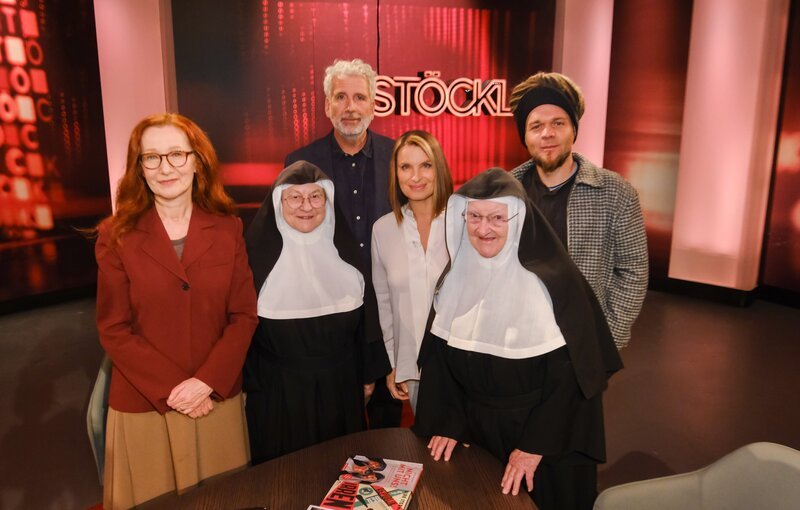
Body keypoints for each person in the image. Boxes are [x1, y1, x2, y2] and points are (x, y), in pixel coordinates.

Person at [412, 169, 622, 510]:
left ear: (519, 219)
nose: (483, 229)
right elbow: (440, 362)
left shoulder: (556, 281)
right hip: (477, 435)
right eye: (475, 217)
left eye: (497, 218)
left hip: (543, 441)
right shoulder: (455, 280)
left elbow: (573, 378)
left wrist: (534, 445)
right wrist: (451, 422)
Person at [94, 113, 257, 509]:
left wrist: (206, 382)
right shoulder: (115, 236)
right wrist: (176, 390)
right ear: (139, 168)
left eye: (177, 154)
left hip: (215, 401)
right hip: (146, 406)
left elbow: (243, 316)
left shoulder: (228, 228)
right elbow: (113, 329)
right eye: (152, 157)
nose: (166, 167)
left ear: (198, 161)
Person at [243, 160, 391, 464]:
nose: (306, 206)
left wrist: (367, 376)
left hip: (341, 390)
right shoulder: (253, 262)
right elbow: (241, 331)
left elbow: (367, 323)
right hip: (278, 396)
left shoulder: (347, 259)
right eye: (294, 197)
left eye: (315, 196)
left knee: (339, 474)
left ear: (328, 201)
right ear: (278, 203)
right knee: (283, 479)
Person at [285, 57, 401, 427]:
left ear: (373, 104)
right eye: (340, 97)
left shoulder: (399, 158)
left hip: (388, 315)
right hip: (329, 317)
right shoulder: (300, 163)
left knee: (386, 428)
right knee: (333, 429)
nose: (350, 107)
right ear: (326, 105)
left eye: (359, 98)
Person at [509, 72, 648, 349]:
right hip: (516, 340)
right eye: (536, 126)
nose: (547, 133)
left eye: (558, 123)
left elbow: (634, 271)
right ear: (525, 136)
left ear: (574, 129)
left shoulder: (615, 192)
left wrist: (606, 337)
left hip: (583, 343)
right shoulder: (505, 192)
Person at [371, 130, 453, 413]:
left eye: (425, 165)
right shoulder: (382, 230)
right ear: (395, 173)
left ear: (438, 168)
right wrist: (394, 364)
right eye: (406, 167)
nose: (416, 177)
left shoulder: (465, 221)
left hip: (467, 369)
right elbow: (385, 306)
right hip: (414, 370)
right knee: (428, 451)